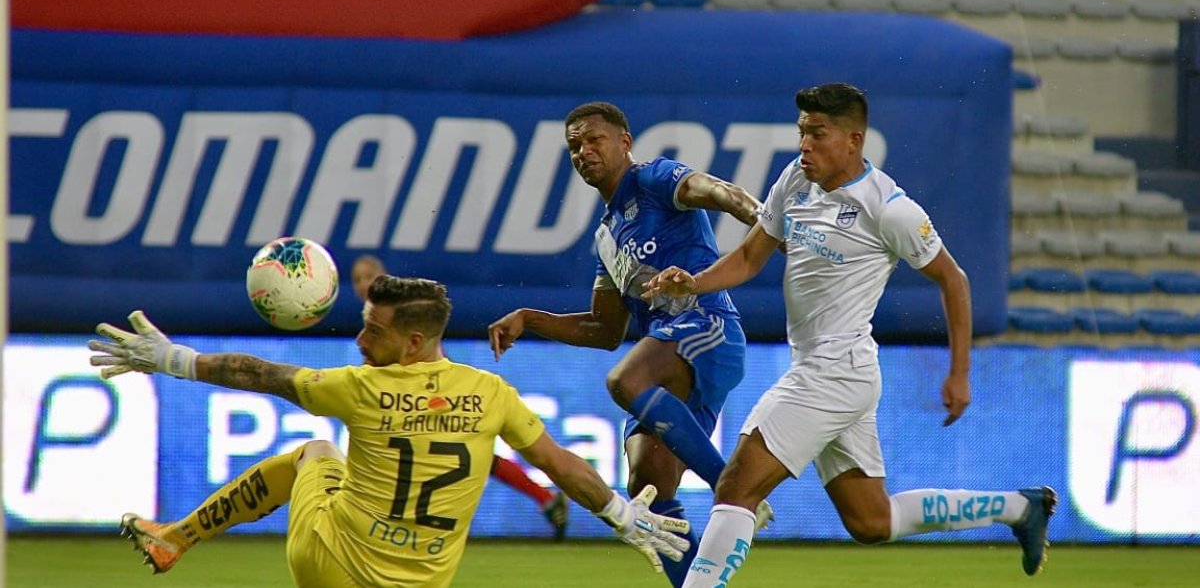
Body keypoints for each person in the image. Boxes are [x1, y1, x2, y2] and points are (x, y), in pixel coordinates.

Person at [641, 83, 1057, 587]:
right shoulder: (796, 179)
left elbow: (954, 279)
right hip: (839, 371)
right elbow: (751, 256)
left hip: (833, 373)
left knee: (736, 487)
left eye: (818, 134)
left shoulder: (889, 209)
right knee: (871, 521)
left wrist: (960, 373)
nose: (805, 145)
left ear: (853, 140)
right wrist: (694, 283)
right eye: (802, 132)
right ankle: (1021, 507)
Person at [89, 277, 689, 587]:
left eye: (372, 330)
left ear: (411, 342)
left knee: (316, 452)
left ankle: (178, 537)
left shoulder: (357, 387)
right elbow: (561, 467)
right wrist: (621, 513)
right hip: (420, 582)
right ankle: (175, 536)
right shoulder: (490, 394)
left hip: (328, 566)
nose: (359, 341)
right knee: (321, 455)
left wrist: (168, 359)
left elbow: (258, 372)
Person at [488, 101, 771, 588]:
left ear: (625, 142)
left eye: (594, 139)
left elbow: (714, 190)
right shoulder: (606, 237)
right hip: (672, 357)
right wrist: (530, 319)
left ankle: (736, 487)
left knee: (626, 379)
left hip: (708, 328)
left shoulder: (654, 178)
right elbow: (604, 330)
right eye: (575, 145)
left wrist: (764, 218)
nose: (584, 151)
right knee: (647, 489)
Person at [351, 254, 570, 540]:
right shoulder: (377, 320)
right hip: (410, 400)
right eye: (357, 279)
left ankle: (545, 499)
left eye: (369, 276)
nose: (363, 284)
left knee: (472, 458)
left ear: (383, 277)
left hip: (429, 393)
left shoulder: (402, 311)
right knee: (475, 459)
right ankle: (546, 499)